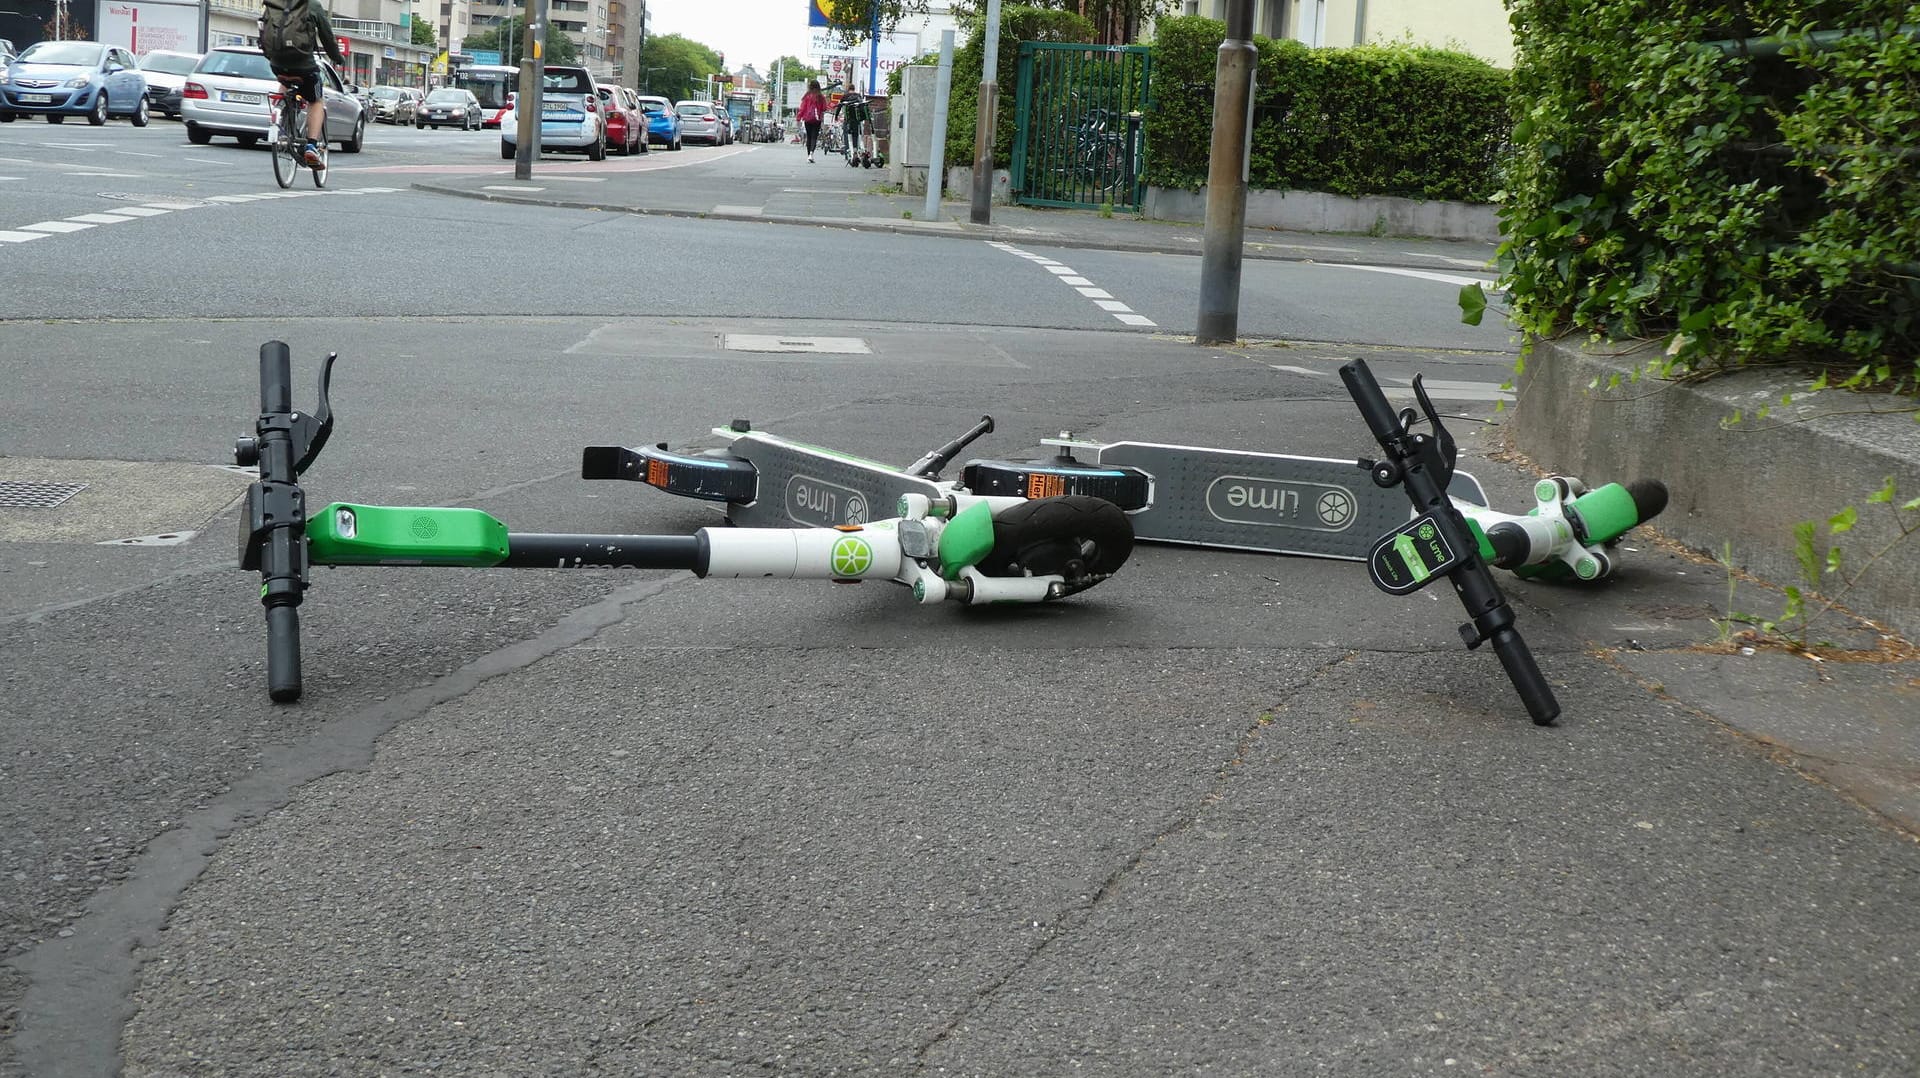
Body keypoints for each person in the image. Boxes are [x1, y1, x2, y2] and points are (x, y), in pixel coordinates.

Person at [258, 0, 348, 169]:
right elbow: (327, 37)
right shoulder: (312, 5)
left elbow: (264, 33)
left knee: (285, 80)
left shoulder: (273, 3)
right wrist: (337, 57)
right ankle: (311, 146)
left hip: (277, 64)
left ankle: (279, 115)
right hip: (304, 65)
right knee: (316, 101)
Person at [797, 78, 827, 163]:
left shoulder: (806, 96)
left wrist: (798, 118)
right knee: (814, 137)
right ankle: (811, 154)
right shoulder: (821, 97)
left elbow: (802, 108)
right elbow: (824, 108)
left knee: (809, 137)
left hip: (807, 119)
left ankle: (809, 156)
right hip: (817, 120)